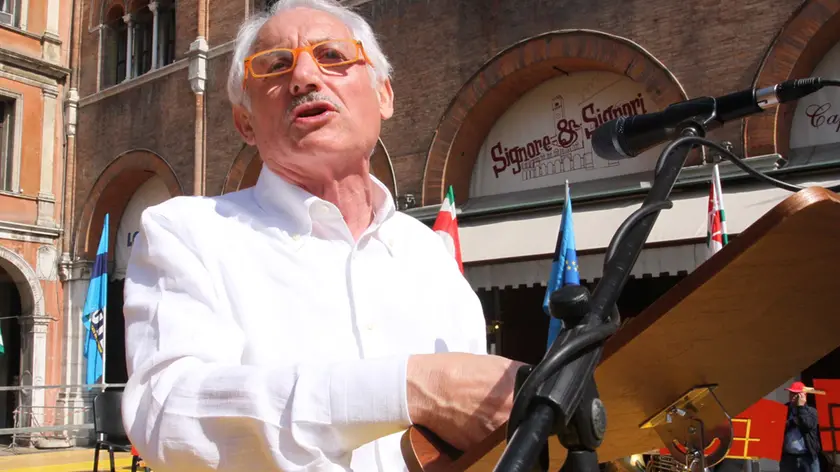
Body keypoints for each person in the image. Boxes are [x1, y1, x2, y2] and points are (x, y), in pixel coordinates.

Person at [120, 0, 523, 471]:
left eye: (333, 56)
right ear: (245, 123)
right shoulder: (189, 232)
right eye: (274, 66)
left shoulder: (428, 251)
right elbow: (167, 413)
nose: (305, 78)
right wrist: (410, 388)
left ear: (384, 97)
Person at [779, 381, 821, 472]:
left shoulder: (811, 411)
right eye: (791, 393)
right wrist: (793, 421)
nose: (793, 396)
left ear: (803, 395)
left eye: (796, 394)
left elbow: (807, 425)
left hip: (807, 457)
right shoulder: (783, 409)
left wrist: (800, 408)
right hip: (788, 457)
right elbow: (779, 427)